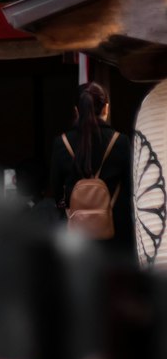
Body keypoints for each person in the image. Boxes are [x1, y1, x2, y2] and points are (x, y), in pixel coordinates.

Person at [49, 81, 132, 250]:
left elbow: (56, 191)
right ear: (106, 108)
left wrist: (69, 209)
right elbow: (131, 188)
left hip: (76, 237)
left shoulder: (61, 143)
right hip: (115, 232)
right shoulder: (120, 141)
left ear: (76, 110)